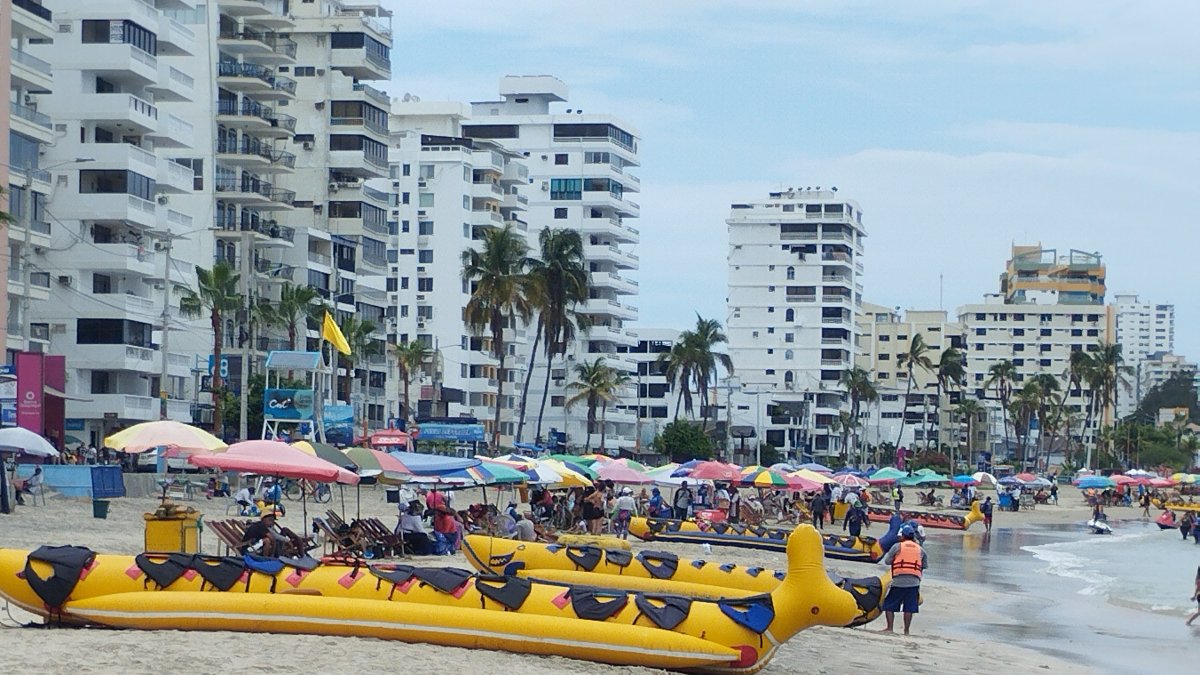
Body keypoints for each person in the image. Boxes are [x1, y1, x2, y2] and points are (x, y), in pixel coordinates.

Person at [879, 525, 927, 635]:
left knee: (889, 604)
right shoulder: (921, 550)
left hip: (898, 580)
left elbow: (887, 561)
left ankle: (890, 628)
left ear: (903, 536)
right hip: (914, 582)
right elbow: (924, 565)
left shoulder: (897, 547)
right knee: (909, 607)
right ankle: (906, 631)